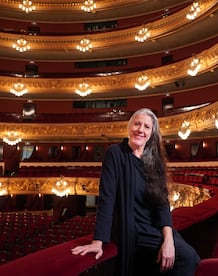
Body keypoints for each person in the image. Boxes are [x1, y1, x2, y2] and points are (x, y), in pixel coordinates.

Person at [71, 108, 200, 276]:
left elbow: (162, 205)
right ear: (129, 127)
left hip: (153, 227)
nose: (140, 129)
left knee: (191, 257)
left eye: (147, 126)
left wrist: (168, 240)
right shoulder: (115, 154)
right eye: (137, 124)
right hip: (131, 229)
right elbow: (106, 200)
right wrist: (98, 241)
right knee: (187, 258)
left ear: (152, 133)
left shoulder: (154, 161)